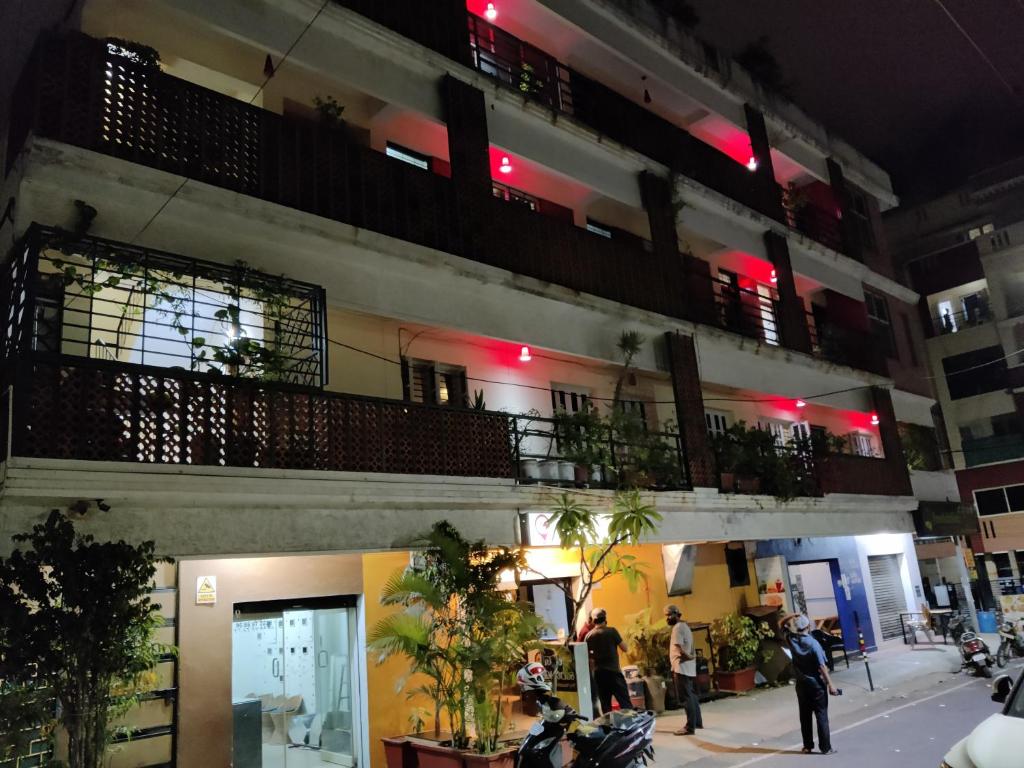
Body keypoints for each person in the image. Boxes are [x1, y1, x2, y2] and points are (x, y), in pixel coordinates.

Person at [782, 613, 838, 755]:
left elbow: (780, 624)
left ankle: (807, 746)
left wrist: (792, 615)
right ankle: (825, 747)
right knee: (821, 715)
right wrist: (830, 685)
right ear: (808, 626)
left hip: (801, 685)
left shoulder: (791, 639)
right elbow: (821, 667)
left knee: (805, 716)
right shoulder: (813, 644)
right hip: (816, 686)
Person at [665, 604, 703, 735]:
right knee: (691, 695)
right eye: (667, 616)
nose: (668, 618)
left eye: (669, 615)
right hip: (688, 668)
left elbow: (680, 649)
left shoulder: (677, 628)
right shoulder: (685, 626)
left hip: (680, 667)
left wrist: (690, 657)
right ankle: (697, 722)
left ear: (676, 614)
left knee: (686, 697)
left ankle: (689, 727)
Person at [585, 608, 632, 713]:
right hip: (614, 673)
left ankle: (609, 727)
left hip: (599, 675)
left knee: (605, 706)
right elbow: (625, 648)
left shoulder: (588, 636)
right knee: (625, 703)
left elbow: (589, 660)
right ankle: (630, 726)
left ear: (593, 621)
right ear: (605, 619)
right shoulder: (612, 631)